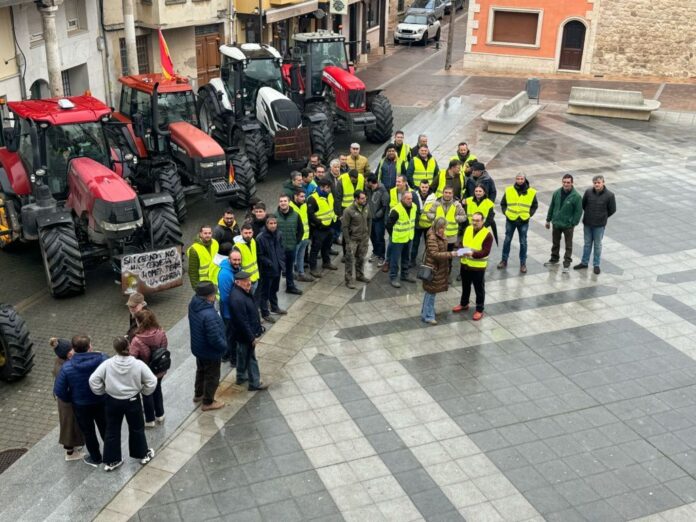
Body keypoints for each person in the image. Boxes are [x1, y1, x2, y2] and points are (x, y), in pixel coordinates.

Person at [89, 337, 157, 472]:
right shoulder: (138, 364)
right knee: (136, 428)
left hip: (112, 401)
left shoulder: (107, 364)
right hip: (132, 400)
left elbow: (93, 380)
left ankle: (112, 460)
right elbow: (152, 381)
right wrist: (144, 391)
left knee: (112, 430)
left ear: (115, 349)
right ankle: (142, 454)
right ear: (129, 346)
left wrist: (102, 391)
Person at [53, 335, 108, 467]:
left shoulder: (67, 367)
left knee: (89, 433)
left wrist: (71, 398)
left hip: (81, 405)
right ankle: (111, 454)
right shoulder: (102, 358)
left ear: (74, 349)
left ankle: (95, 458)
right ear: (90, 346)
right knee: (106, 428)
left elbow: (59, 391)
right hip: (101, 401)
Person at [188, 282, 228, 410]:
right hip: (210, 351)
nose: (215, 296)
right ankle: (208, 402)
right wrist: (224, 347)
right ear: (208, 297)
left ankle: (198, 394)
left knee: (201, 371)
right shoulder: (209, 314)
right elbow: (214, 338)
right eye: (213, 294)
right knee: (212, 376)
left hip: (198, 347)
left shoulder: (193, 304)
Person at [228, 271, 267, 391]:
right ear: (237, 282)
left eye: (249, 280)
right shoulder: (237, 299)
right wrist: (251, 337)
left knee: (241, 354)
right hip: (244, 334)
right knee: (251, 357)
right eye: (245, 281)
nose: (249, 283)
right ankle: (254, 383)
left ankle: (240, 377)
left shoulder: (242, 292)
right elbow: (242, 321)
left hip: (241, 334)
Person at [129, 309, 168, 428]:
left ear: (139, 322)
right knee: (157, 389)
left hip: (145, 372)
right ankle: (160, 414)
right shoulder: (161, 332)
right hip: (159, 369)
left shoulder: (136, 340)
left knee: (146, 394)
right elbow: (164, 348)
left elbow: (133, 358)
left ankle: (150, 420)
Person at [453, 212, 493, 320]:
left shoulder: (487, 235)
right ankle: (464, 303)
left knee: (479, 288)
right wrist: (461, 251)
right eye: (473, 220)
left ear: (482, 221)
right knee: (465, 286)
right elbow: (462, 243)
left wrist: (472, 254)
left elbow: (485, 252)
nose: (474, 222)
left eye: (477, 220)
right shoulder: (468, 229)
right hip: (465, 264)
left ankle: (479, 309)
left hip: (478, 267)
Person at [50, 337, 84, 461]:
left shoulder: (60, 362)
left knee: (71, 423)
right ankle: (70, 453)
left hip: (65, 400)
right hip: (67, 401)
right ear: (66, 353)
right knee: (69, 425)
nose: (73, 351)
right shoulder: (64, 368)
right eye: (70, 349)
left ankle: (74, 445)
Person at [575, 174, 616, 274]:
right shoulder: (588, 192)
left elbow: (612, 210)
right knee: (587, 244)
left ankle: (596, 265)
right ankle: (584, 262)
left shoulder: (610, 195)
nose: (597, 184)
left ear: (603, 183)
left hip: (599, 225)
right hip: (588, 223)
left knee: (597, 245)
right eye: (595, 183)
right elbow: (583, 205)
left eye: (598, 182)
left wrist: (602, 217)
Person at [421, 218, 458, 325]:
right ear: (438, 227)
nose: (444, 230)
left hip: (437, 268)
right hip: (433, 269)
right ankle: (428, 316)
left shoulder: (439, 235)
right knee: (431, 292)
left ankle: (427, 312)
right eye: (442, 228)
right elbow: (434, 254)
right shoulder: (432, 237)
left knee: (431, 292)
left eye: (444, 228)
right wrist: (451, 254)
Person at [498, 174, 538, 273]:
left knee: (523, 242)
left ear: (525, 180)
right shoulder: (509, 190)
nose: (519, 181)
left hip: (523, 220)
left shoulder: (531, 192)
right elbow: (503, 203)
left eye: (521, 179)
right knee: (507, 240)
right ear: (515, 179)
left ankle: (523, 263)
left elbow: (534, 205)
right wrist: (506, 212)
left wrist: (529, 214)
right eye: (518, 179)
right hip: (511, 219)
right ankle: (504, 260)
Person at [545, 174, 583, 273]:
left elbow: (578, 212)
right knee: (555, 243)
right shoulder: (556, 193)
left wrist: (572, 223)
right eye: (564, 182)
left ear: (572, 183)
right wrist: (548, 220)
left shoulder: (576, 196)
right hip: (556, 223)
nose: (566, 184)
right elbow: (552, 207)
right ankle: (554, 259)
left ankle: (566, 263)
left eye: (568, 182)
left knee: (568, 245)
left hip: (568, 226)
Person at [256, 214, 288, 322]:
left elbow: (280, 248)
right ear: (267, 224)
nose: (273, 225)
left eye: (275, 223)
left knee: (274, 289)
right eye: (271, 223)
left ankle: (275, 307)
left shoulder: (279, 234)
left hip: (277, 268)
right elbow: (260, 255)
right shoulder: (260, 238)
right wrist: (269, 263)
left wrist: (281, 260)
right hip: (267, 270)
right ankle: (265, 312)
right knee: (264, 292)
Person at [308, 178, 338, 278]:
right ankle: (313, 268)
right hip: (319, 229)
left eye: (329, 187)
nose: (329, 189)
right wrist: (319, 224)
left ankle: (326, 262)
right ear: (321, 187)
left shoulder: (329, 195)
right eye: (327, 188)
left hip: (329, 226)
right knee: (315, 248)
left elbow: (331, 209)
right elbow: (311, 215)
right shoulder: (313, 198)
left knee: (327, 246)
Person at [386, 191, 417, 288]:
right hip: (398, 239)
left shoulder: (414, 207)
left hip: (409, 237)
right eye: (408, 199)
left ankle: (404, 274)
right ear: (403, 199)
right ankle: (393, 277)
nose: (410, 201)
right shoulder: (396, 210)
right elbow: (388, 225)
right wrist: (393, 235)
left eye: (411, 198)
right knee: (395, 259)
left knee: (406, 258)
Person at [341, 190, 371, 289]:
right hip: (353, 240)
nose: (364, 200)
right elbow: (344, 227)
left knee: (361, 258)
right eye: (362, 198)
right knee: (350, 260)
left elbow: (369, 219)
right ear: (356, 199)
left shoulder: (366, 207)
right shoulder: (348, 211)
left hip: (364, 238)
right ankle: (348, 280)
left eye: (365, 198)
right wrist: (348, 241)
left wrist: (368, 233)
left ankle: (360, 275)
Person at [276, 195, 304, 296]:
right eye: (281, 201)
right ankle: (273, 292)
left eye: (285, 201)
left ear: (289, 202)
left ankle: (290, 286)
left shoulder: (296, 215)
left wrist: (296, 242)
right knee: (276, 271)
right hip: (278, 250)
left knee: (289, 269)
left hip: (291, 248)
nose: (283, 203)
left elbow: (301, 230)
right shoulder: (274, 216)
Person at [218, 249, 242, 364]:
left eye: (239, 259)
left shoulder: (236, 269)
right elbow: (225, 297)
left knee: (230, 334)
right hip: (229, 311)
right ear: (229, 259)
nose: (237, 262)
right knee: (232, 335)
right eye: (234, 260)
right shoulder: (225, 274)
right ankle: (234, 359)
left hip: (233, 309)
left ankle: (226, 355)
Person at [412, 179, 437, 267]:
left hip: (428, 225)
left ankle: (427, 261)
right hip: (417, 224)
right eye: (422, 187)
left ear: (428, 187)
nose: (424, 189)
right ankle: (412, 260)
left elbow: (436, 211)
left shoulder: (433, 197)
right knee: (415, 244)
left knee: (429, 245)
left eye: (426, 187)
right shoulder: (414, 195)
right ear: (419, 186)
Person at [290, 190, 314, 283]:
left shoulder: (304, 205)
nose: (303, 198)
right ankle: (291, 275)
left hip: (305, 236)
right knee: (292, 258)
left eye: (304, 196)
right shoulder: (290, 207)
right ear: (295, 196)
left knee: (301, 256)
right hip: (296, 238)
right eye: (301, 196)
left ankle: (301, 273)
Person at [366, 174, 389, 267]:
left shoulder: (383, 191)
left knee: (379, 237)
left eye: (368, 182)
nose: (366, 183)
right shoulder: (368, 189)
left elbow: (385, 207)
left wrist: (376, 215)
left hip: (378, 220)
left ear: (372, 183)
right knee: (372, 236)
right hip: (370, 218)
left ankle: (382, 256)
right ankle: (375, 252)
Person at [233, 224, 260, 293]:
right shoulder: (237, 247)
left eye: (250, 233)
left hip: (255, 277)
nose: (248, 235)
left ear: (253, 233)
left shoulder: (253, 241)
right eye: (246, 233)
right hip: (245, 280)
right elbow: (236, 266)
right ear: (241, 233)